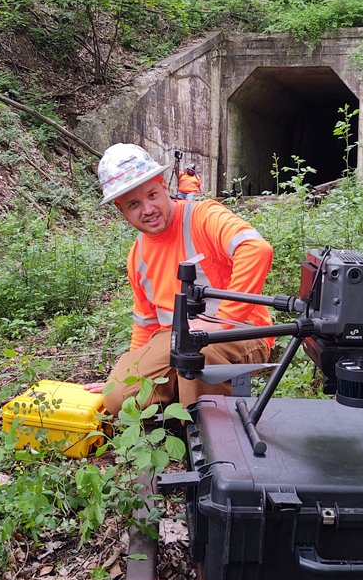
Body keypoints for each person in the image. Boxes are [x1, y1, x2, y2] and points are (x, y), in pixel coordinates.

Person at [84, 143, 274, 417]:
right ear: (121, 210)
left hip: (242, 332)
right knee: (117, 399)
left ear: (164, 186)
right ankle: (184, 405)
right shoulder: (137, 256)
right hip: (173, 341)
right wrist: (134, 370)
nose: (148, 209)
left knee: (194, 353)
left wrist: (222, 320)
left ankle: (213, 437)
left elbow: (256, 249)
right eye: (134, 204)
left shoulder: (203, 216)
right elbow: (146, 324)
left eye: (152, 195)